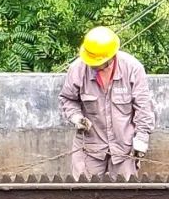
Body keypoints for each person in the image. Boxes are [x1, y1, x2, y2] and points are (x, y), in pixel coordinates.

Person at [59, 26, 155, 179]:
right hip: (89, 145)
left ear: (111, 57)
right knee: (83, 194)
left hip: (124, 145)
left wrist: (142, 138)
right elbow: (68, 99)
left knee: (125, 196)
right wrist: (76, 117)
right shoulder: (78, 69)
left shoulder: (132, 69)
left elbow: (143, 107)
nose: (95, 67)